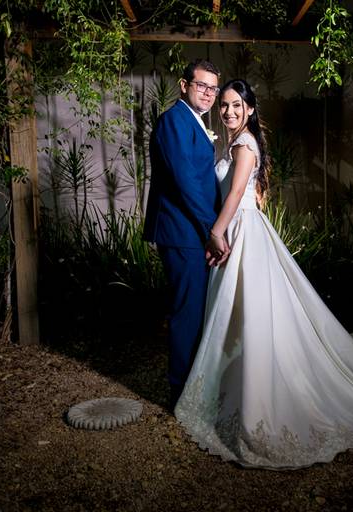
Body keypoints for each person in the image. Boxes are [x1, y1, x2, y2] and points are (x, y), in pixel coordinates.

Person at [173, 79, 353, 469]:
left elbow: (234, 195)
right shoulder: (233, 144)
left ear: (249, 109)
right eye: (224, 105)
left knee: (252, 316)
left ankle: (259, 399)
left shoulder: (245, 144)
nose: (228, 111)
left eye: (236, 105)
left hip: (240, 230)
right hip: (237, 227)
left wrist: (216, 232)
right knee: (235, 315)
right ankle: (233, 387)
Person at [143, 59, 230, 410]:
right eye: (201, 86)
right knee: (187, 313)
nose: (208, 93)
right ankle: (181, 397)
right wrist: (214, 230)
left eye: (213, 88)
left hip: (192, 232)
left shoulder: (193, 120)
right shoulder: (174, 121)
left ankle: (193, 386)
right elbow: (186, 184)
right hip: (182, 234)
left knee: (195, 311)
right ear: (184, 85)